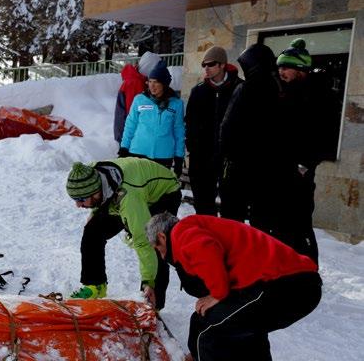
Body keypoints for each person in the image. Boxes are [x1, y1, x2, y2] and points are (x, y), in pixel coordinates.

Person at [145, 213, 321, 361]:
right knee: (225, 327)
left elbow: (208, 251)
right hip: (287, 283)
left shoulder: (182, 232)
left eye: (158, 249)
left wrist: (217, 294)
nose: (161, 256)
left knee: (209, 334)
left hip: (288, 283)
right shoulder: (192, 227)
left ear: (162, 236)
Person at [65, 157, 181, 310]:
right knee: (92, 231)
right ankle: (95, 285)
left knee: (156, 243)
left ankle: (153, 300)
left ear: (95, 192)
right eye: (75, 199)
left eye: (81, 199)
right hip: (127, 190)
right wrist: (94, 212)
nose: (78, 205)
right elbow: (99, 197)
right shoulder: (93, 174)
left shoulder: (128, 198)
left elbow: (143, 241)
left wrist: (148, 281)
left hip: (164, 193)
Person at [219, 43, 293, 238]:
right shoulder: (282, 89)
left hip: (240, 167)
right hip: (270, 169)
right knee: (262, 223)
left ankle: (238, 262)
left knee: (232, 222)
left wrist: (226, 156)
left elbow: (227, 128)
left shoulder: (246, 89)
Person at [276, 38, 338, 263]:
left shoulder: (320, 96)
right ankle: (287, 267)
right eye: (279, 67)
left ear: (300, 69)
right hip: (281, 169)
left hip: (300, 172)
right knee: (282, 224)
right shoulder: (284, 93)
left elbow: (325, 137)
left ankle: (309, 268)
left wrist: (305, 164)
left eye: (285, 67)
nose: (281, 71)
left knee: (300, 223)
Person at [184, 46, 242, 216]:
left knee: (232, 209)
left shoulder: (239, 89)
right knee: (203, 207)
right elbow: (190, 122)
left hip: (230, 160)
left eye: (211, 64)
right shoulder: (199, 91)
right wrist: (192, 147)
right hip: (203, 158)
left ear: (223, 64)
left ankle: (229, 240)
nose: (206, 68)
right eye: (204, 65)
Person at [119, 60, 185, 178]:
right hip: (138, 152)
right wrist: (124, 147)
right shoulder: (139, 99)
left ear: (164, 84)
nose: (152, 86)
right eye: (150, 81)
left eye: (156, 82)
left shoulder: (177, 104)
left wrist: (179, 157)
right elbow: (130, 125)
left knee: (158, 193)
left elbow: (179, 131)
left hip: (163, 156)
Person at [113, 51, 160, 144]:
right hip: (131, 137)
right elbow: (134, 114)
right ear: (150, 68)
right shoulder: (135, 83)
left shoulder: (139, 80)